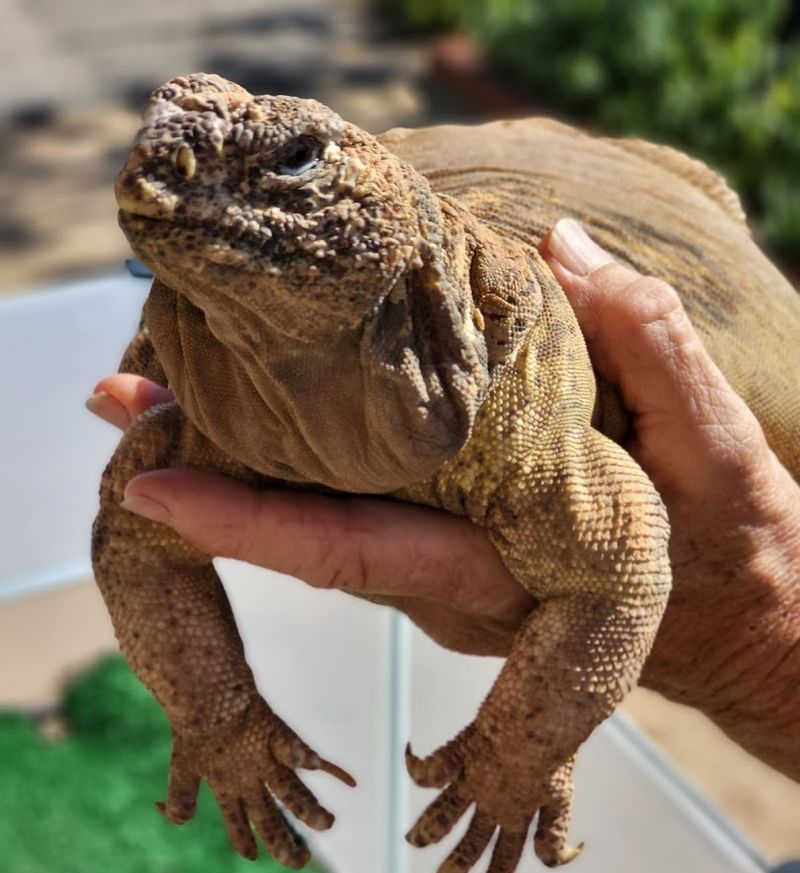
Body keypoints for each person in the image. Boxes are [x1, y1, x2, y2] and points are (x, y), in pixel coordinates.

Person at [87, 219, 800, 781]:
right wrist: (219, 717)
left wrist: (751, 642)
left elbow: (618, 576)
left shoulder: (520, 411)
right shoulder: (210, 398)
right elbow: (136, 538)